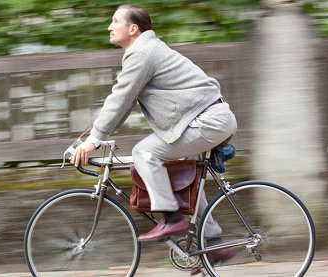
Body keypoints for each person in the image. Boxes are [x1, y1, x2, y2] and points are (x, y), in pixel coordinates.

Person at [70, 5, 236, 273]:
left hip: (207, 121)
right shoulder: (144, 51)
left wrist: (94, 141)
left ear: (133, 28)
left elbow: (120, 99)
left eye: (114, 21)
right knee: (187, 176)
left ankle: (171, 219)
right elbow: (121, 102)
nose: (109, 27)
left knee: (144, 153)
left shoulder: (143, 53)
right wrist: (93, 136)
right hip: (202, 120)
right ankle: (214, 242)